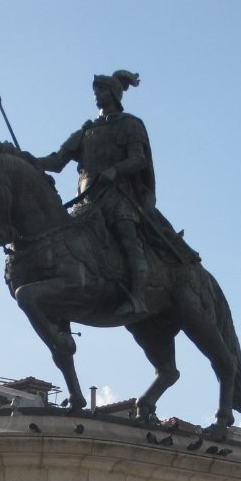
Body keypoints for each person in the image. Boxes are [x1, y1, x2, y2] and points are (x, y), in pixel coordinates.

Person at [32, 70, 152, 315]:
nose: (96, 94)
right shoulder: (86, 131)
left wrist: (116, 170)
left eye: (102, 90)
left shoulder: (130, 124)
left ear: (114, 94)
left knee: (127, 237)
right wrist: (31, 162)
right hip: (86, 202)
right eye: (95, 90)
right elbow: (57, 161)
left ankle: (138, 297)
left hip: (117, 197)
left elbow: (139, 160)